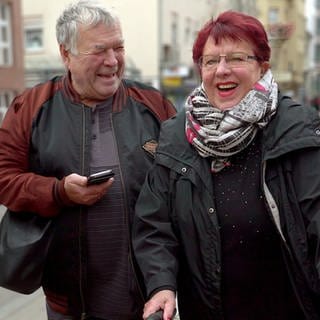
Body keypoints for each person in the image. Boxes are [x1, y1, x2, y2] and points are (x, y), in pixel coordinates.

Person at [132, 10, 320, 320]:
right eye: (210, 61)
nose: (222, 70)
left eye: (236, 58)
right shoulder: (176, 137)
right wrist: (161, 285)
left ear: (262, 66)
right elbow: (154, 226)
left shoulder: (298, 132)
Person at [0, 0, 176, 319]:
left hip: (144, 296)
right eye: (99, 50)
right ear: (66, 54)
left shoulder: (153, 105)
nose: (113, 61)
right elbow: (3, 178)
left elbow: (183, 187)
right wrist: (58, 192)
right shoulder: (32, 106)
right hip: (68, 300)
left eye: (118, 47)